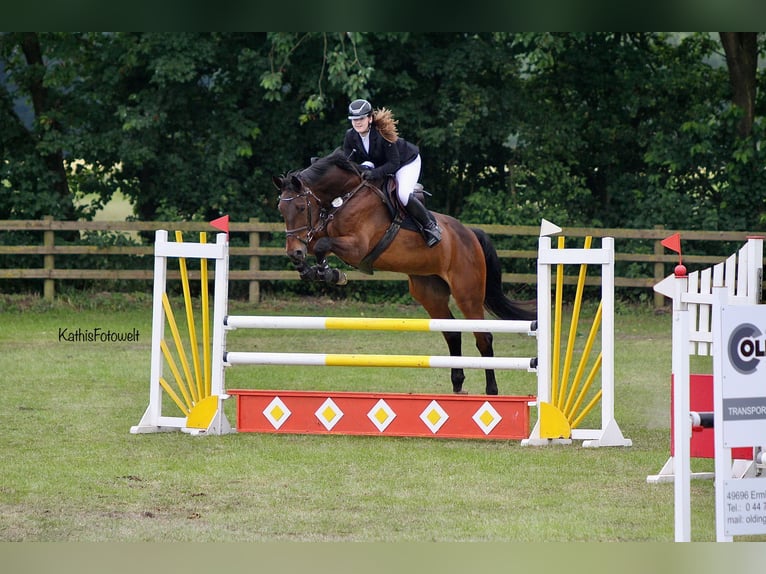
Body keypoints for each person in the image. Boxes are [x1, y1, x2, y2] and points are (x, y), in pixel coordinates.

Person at [342, 98, 441, 247]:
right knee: (365, 166)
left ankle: (430, 226)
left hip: (406, 162)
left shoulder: (381, 133)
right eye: (354, 119)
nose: (357, 122)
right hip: (380, 164)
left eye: (361, 118)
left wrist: (374, 174)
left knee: (402, 194)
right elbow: (348, 161)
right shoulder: (350, 136)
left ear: (369, 119)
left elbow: (393, 164)